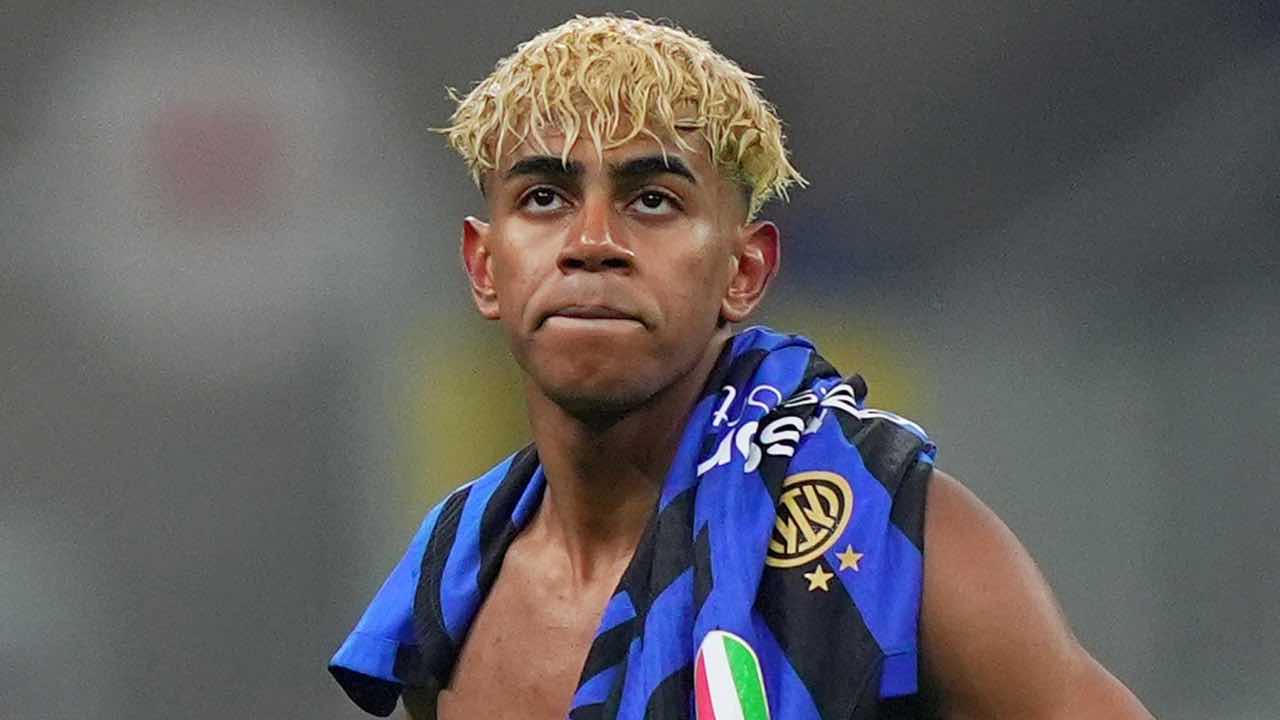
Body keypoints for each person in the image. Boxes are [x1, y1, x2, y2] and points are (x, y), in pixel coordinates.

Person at [330, 15, 1153, 719]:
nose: (592, 243)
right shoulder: (451, 585)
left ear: (744, 271)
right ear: (484, 267)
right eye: (544, 197)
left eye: (652, 200)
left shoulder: (888, 530)